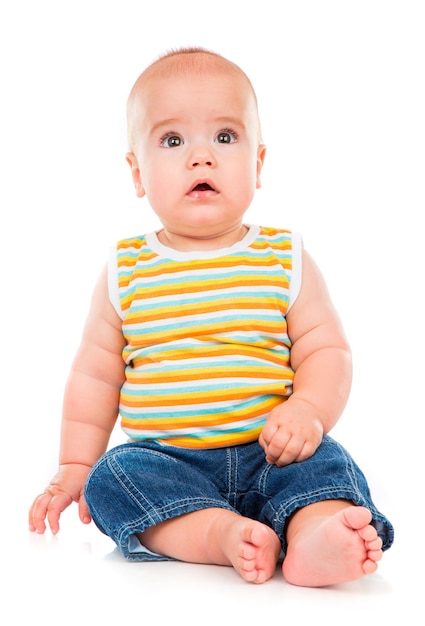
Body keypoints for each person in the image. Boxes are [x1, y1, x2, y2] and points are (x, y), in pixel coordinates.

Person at [29, 47, 394, 587]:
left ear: (258, 163)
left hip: (272, 449)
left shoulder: (283, 257)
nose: (202, 158)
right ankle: (218, 534)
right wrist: (74, 467)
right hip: (166, 460)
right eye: (172, 141)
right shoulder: (126, 269)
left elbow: (327, 349)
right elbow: (95, 374)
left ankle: (314, 533)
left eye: (225, 137)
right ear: (136, 172)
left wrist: (309, 410)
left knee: (326, 462)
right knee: (113, 478)